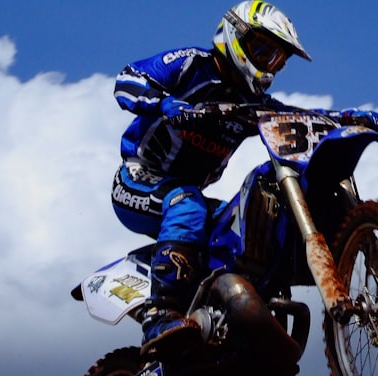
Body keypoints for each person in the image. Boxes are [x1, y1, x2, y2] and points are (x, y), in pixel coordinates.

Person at [111, 1, 311, 353]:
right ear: (236, 36)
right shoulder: (192, 65)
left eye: (278, 58)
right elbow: (128, 79)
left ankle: (224, 319)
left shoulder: (255, 102)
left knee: (246, 225)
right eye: (263, 50)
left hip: (191, 196)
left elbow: (297, 119)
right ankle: (158, 314)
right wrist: (165, 105)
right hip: (139, 177)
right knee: (187, 206)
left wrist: (346, 120)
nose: (269, 63)